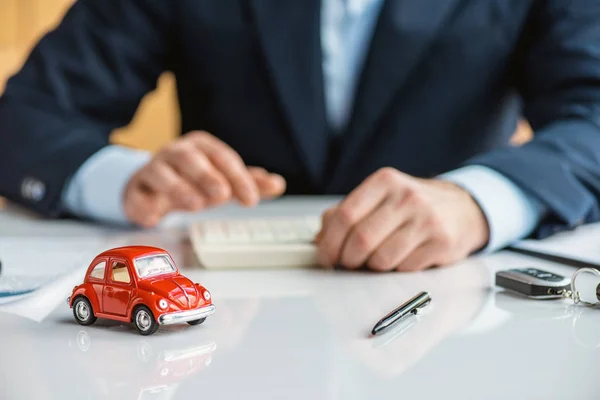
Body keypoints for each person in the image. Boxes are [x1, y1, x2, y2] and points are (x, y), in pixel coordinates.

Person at [0, 0, 599, 272]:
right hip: (223, 320)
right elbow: (23, 118)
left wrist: (480, 201)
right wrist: (123, 179)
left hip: (449, 300)